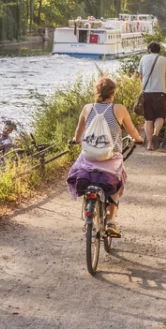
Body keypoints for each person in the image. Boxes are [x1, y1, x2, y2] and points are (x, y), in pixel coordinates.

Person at [67, 76, 143, 237]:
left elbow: (78, 133)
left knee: (83, 169)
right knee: (116, 181)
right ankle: (111, 221)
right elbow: (132, 131)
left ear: (96, 92)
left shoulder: (87, 108)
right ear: (112, 93)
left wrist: (76, 140)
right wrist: (138, 139)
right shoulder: (119, 109)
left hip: (89, 158)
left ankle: (88, 204)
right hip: (111, 158)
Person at [137, 41, 166, 150]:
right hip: (160, 92)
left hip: (147, 93)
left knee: (148, 118)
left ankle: (150, 144)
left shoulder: (143, 59)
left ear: (149, 50)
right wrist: (164, 88)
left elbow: (140, 76)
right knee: (160, 116)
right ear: (159, 50)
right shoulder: (164, 60)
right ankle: (156, 134)